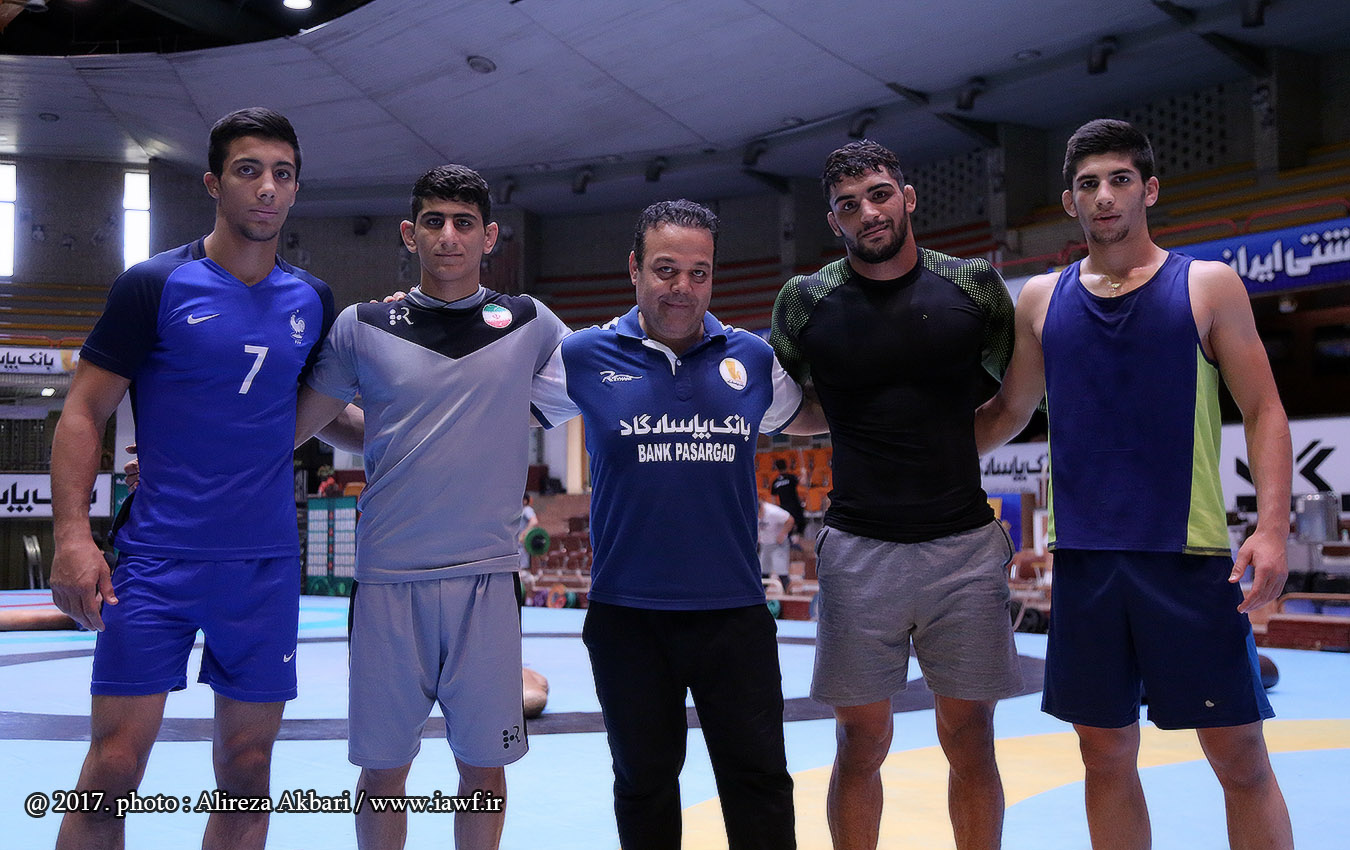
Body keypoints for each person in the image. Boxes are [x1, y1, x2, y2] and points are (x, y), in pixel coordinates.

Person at [974, 118, 1294, 850]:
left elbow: (1264, 408)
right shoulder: (1040, 299)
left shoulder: (1207, 285)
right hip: (1085, 563)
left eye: (1119, 180)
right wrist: (909, 454)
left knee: (1239, 754)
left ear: (1148, 189)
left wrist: (1273, 528)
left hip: (1189, 558)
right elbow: (1009, 412)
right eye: (1088, 184)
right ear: (1069, 202)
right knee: (1104, 754)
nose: (1104, 196)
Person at [48, 107, 334, 850]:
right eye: (248, 171)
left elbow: (317, 412)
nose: (266, 188)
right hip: (157, 561)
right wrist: (72, 537)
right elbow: (83, 412)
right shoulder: (154, 285)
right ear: (214, 183)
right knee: (113, 767)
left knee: (248, 769)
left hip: (263, 568)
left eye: (282, 174)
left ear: (295, 189)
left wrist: (429, 426)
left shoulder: (314, 300)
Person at [532, 199, 826, 850]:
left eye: (699, 273)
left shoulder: (752, 359)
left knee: (760, 785)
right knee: (644, 786)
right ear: (634, 269)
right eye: (666, 269)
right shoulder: (582, 356)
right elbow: (492, 401)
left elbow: (813, 414)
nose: (682, 288)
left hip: (735, 614)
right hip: (627, 618)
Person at [293, 164, 570, 850]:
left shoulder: (530, 323)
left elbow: (601, 383)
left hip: (486, 581)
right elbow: (296, 426)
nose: (449, 236)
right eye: (435, 222)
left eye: (464, 223)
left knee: (484, 769)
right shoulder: (363, 326)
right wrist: (181, 458)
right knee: (384, 770)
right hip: (389, 579)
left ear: (489, 237)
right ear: (409, 233)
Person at [770, 139, 1021, 850]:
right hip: (858, 550)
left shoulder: (974, 286)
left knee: (971, 737)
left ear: (907, 198)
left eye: (879, 194)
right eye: (849, 205)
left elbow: (1011, 397)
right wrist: (859, 431)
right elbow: (784, 407)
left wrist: (941, 448)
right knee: (859, 741)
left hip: (964, 548)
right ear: (834, 220)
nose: (868, 212)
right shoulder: (805, 300)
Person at [759, 498, 795, 593]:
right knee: (764, 569)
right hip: (765, 543)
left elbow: (790, 520)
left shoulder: (773, 512)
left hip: (778, 544)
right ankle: (762, 593)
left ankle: (788, 592)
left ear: (761, 508)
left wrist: (783, 533)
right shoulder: (752, 512)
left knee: (781, 570)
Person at [770, 458, 807, 541]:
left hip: (784, 506)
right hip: (795, 505)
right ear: (786, 466)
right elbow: (803, 482)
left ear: (777, 468)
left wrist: (776, 508)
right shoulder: (791, 477)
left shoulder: (775, 481)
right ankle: (797, 539)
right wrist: (804, 473)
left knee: (788, 524)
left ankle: (790, 540)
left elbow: (773, 497)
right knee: (801, 523)